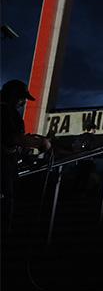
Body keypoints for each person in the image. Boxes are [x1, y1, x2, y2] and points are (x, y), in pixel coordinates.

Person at [1, 80, 50, 228]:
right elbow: (13, 138)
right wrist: (41, 143)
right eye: (22, 98)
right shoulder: (8, 113)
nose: (23, 103)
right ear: (14, 96)